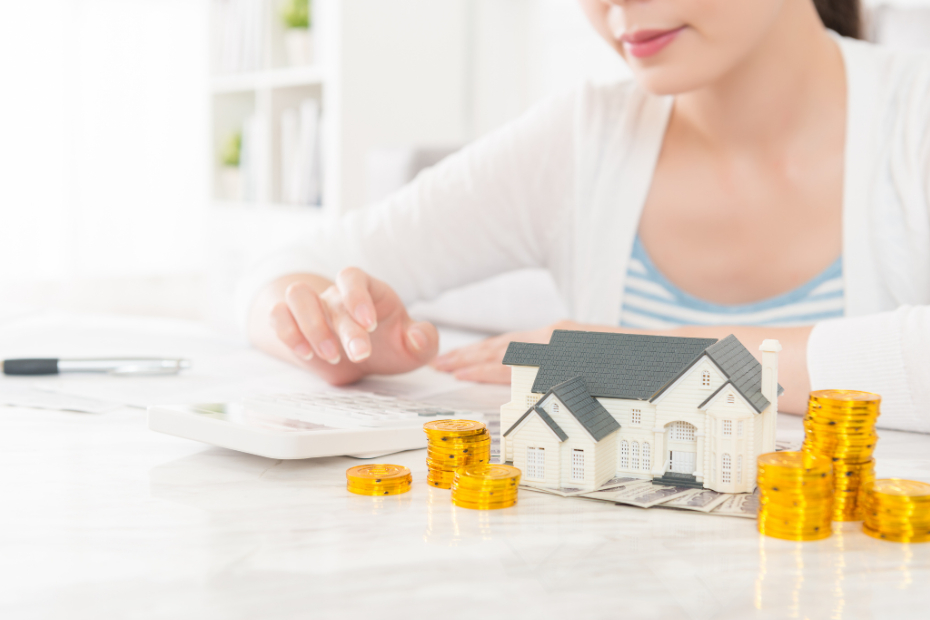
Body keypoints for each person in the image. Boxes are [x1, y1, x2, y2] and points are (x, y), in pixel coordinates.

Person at [243, 0, 930, 432]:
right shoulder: (583, 139)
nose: (614, 7)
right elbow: (282, 273)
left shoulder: (913, 118)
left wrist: (642, 361)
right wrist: (331, 334)